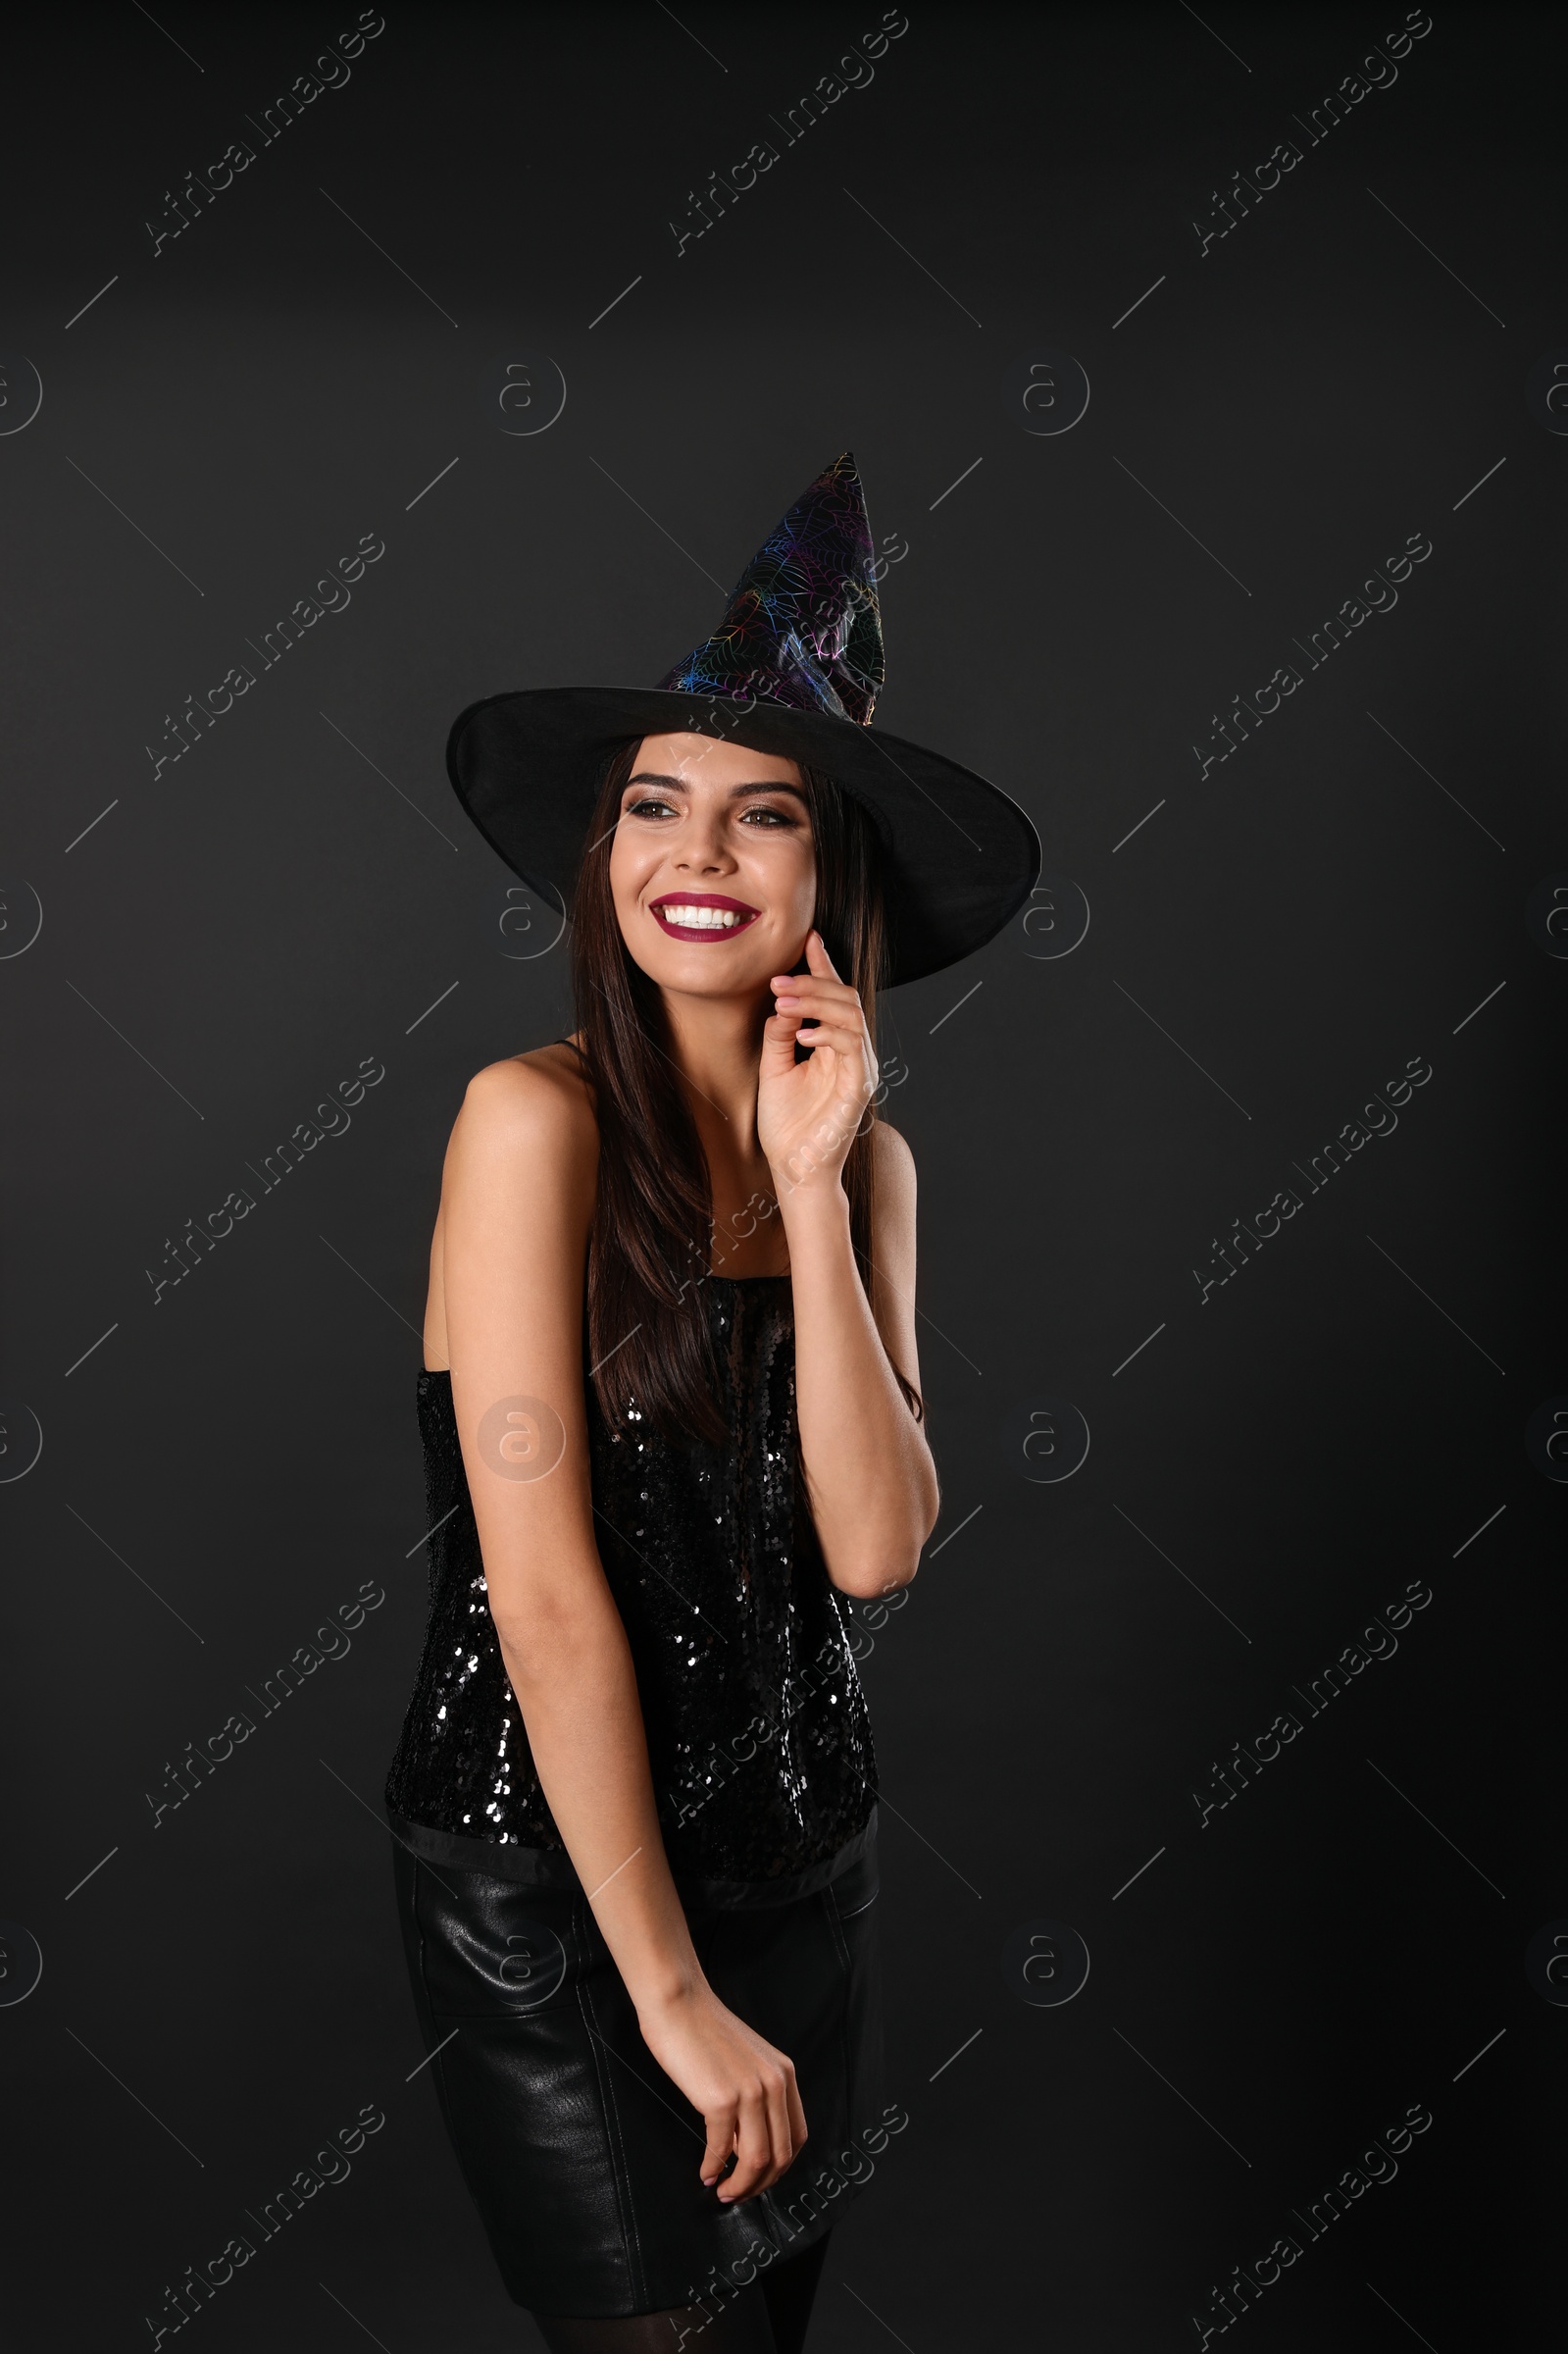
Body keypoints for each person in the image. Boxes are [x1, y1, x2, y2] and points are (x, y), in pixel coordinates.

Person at [383, 453, 1038, 2350]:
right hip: (559, 1870)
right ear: (602, 854)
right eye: (657, 807)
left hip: (804, 1859)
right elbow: (545, 1587)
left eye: (763, 820)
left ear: (829, 882)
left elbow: (875, 1544)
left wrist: (817, 1183)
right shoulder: (532, 1127)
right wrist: (663, 1992)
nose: (698, 854)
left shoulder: (871, 1163)